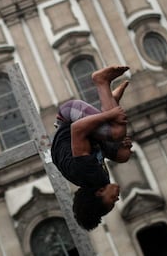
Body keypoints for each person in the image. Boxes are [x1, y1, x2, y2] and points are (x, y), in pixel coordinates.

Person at [51, 65, 133, 230]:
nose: (117, 199)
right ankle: (111, 100)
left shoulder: (84, 171)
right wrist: (123, 145)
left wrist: (110, 115)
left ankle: (101, 81)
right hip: (90, 137)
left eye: (112, 201)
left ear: (98, 193)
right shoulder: (100, 180)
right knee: (123, 154)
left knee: (116, 131)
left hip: (69, 117)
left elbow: (77, 130)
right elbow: (109, 151)